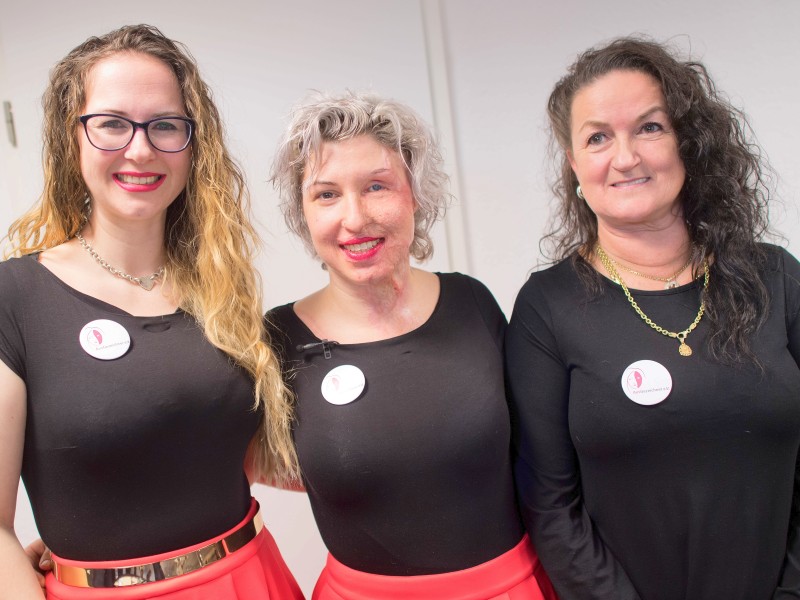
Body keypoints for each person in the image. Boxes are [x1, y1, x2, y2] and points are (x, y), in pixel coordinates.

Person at [0, 24, 303, 599]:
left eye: (164, 125)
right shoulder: (15, 297)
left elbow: (250, 454)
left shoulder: (221, 291)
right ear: (72, 140)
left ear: (193, 146)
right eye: (111, 123)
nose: (140, 149)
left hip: (252, 579)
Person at [504, 36, 800, 600]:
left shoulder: (777, 278)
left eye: (649, 127)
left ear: (687, 141)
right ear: (573, 163)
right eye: (597, 137)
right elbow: (549, 504)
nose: (625, 157)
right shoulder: (547, 308)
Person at [268, 91, 557, 599]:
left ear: (415, 194)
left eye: (376, 186)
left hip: (511, 586)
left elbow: (526, 444)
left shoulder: (471, 301)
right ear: (304, 213)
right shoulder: (279, 338)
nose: (354, 219)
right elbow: (237, 457)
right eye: (326, 194)